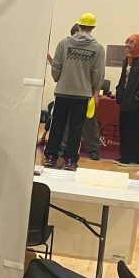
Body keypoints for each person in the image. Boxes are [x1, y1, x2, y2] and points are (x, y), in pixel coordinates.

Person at [44, 13, 105, 170]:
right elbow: (98, 73)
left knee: (57, 126)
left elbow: (56, 65)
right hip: (83, 95)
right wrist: (94, 91)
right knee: (76, 129)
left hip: (63, 92)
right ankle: (71, 161)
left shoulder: (64, 43)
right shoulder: (98, 48)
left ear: (78, 26)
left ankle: (51, 157)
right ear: (92, 28)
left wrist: (59, 78)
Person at [116, 34, 139, 166]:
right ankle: (125, 156)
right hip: (125, 102)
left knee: (134, 130)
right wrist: (119, 93)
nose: (127, 45)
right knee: (124, 128)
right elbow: (123, 80)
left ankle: (134, 158)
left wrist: (137, 97)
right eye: (127, 41)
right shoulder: (127, 60)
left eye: (132, 42)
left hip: (137, 103)